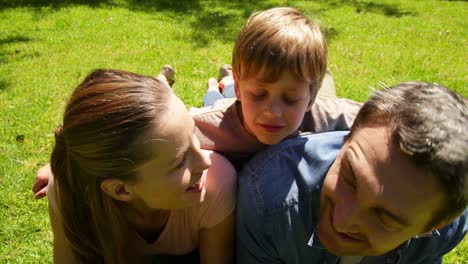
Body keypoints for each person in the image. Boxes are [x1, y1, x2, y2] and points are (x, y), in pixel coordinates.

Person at [33, 6, 362, 197]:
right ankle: (204, 80)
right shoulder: (207, 124)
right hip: (224, 102)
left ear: (311, 96)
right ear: (246, 83)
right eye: (258, 94)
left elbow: (385, 120)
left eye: (290, 98)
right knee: (214, 95)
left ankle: (222, 81)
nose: (272, 111)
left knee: (226, 91)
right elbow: (131, 130)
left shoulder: (329, 113)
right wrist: (60, 168)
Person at [236, 81, 468, 263]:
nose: (343, 221)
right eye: (349, 177)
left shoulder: (449, 227)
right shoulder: (267, 197)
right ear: (347, 137)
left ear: (432, 227)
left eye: (385, 217)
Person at [47, 69, 236, 263]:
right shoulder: (69, 191)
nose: (205, 162)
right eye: (180, 162)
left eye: (194, 135)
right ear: (120, 189)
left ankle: (208, 82)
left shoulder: (216, 183)